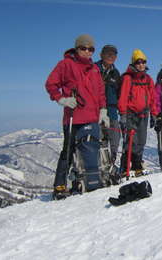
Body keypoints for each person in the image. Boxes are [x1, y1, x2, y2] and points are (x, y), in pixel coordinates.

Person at [45, 34, 109, 200]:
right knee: (68, 150)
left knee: (93, 150)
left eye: (91, 49)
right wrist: (62, 99)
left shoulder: (94, 69)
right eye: (83, 48)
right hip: (74, 116)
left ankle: (89, 180)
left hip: (92, 117)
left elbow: (101, 92)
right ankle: (60, 185)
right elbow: (51, 84)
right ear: (77, 48)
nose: (87, 52)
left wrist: (103, 110)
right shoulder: (66, 64)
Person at [118, 49, 158, 177]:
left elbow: (152, 98)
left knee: (141, 140)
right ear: (134, 64)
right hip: (130, 114)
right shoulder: (128, 78)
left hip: (144, 114)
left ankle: (137, 165)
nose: (141, 65)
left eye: (143, 62)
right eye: (138, 62)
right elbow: (123, 97)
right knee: (130, 141)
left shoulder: (148, 79)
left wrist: (154, 114)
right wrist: (123, 115)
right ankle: (125, 167)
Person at [95, 45, 122, 164]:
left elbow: (119, 93)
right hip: (96, 111)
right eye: (108, 53)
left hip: (112, 111)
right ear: (101, 55)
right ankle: (103, 165)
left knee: (115, 138)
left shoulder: (115, 73)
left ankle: (111, 163)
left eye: (114, 54)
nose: (111, 56)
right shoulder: (94, 69)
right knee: (101, 140)